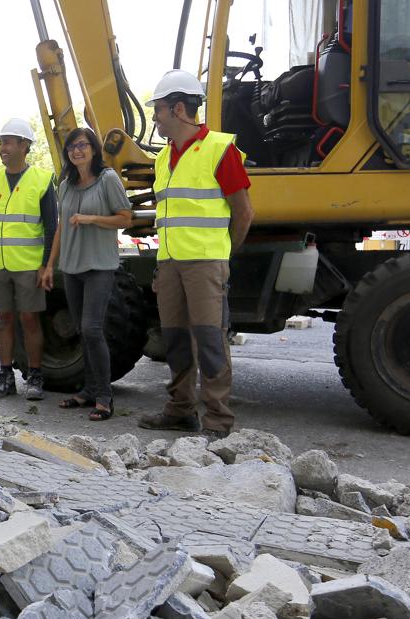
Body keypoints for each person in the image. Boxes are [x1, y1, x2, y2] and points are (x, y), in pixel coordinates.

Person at [136, 69, 254, 440]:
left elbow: (244, 212)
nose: (154, 118)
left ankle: (217, 421)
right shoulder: (162, 159)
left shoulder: (221, 149)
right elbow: (167, 217)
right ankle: (180, 410)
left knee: (209, 340)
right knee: (174, 339)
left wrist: (222, 256)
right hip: (169, 264)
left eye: (158, 111)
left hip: (205, 264)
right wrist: (160, 266)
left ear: (179, 109)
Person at [43, 127, 133, 421]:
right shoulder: (66, 185)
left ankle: (105, 396)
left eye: (82, 145)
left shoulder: (107, 179)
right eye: (71, 147)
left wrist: (91, 218)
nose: (77, 150)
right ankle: (88, 390)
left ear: (94, 149)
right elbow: (60, 229)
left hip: (99, 266)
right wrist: (50, 266)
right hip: (71, 267)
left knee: (93, 329)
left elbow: (125, 218)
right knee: (82, 330)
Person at [0, 117, 57, 401]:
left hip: (29, 265)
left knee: (30, 321)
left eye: (7, 142)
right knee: (4, 320)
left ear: (24, 145)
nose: (2, 147)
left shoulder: (42, 181)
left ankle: (35, 374)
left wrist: (46, 264)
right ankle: (5, 375)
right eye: (0, 142)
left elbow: (51, 227)